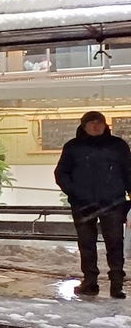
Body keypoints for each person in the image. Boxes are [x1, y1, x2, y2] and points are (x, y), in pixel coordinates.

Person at [54, 109, 131, 298]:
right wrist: (74, 191)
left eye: (99, 122)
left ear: (105, 125)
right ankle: (90, 281)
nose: (96, 126)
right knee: (86, 244)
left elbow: (129, 172)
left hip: (113, 203)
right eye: (91, 122)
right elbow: (61, 173)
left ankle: (116, 283)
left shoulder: (118, 146)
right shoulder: (72, 147)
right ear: (84, 125)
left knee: (115, 243)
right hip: (83, 204)